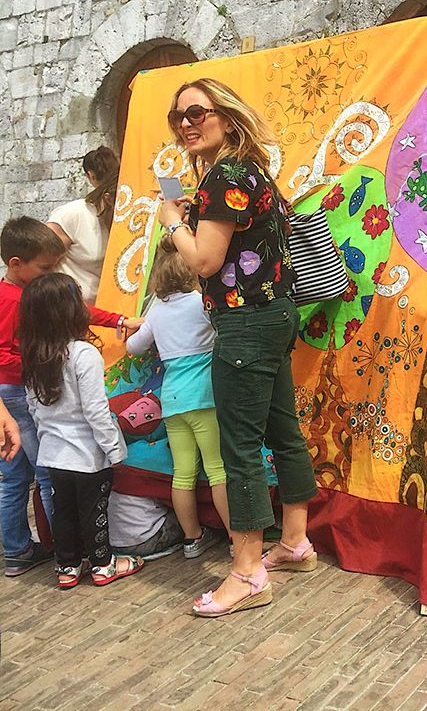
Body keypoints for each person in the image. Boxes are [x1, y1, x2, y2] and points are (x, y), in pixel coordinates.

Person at [159, 78, 317, 617]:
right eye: (177, 116)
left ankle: (247, 571)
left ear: (225, 116)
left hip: (246, 324)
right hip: (274, 316)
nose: (186, 123)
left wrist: (173, 221)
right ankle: (294, 542)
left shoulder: (226, 174)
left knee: (240, 446)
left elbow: (203, 260)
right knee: (282, 428)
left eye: (197, 112)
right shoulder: (249, 171)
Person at [0, 217, 140, 577]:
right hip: (16, 394)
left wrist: (118, 320)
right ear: (16, 264)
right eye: (45, 267)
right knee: (51, 483)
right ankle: (84, 558)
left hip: (23, 395)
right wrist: (114, 450)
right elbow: (95, 411)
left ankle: (41, 555)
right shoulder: (18, 305)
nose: (50, 274)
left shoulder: (32, 302)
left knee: (16, 478)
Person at [21, 272, 144, 588]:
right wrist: (114, 449)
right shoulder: (83, 354)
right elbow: (96, 411)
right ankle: (103, 564)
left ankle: (68, 566)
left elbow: (34, 408)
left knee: (63, 510)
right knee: (94, 510)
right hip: (89, 455)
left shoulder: (33, 355)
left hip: (53, 454)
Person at [126, 236, 230, 558]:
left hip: (172, 402)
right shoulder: (202, 304)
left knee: (182, 473)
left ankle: (192, 538)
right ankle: (236, 538)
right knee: (217, 470)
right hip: (204, 399)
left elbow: (133, 348)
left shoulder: (157, 311)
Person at [48, 146, 120, 305]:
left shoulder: (125, 217)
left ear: (90, 175)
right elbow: (40, 261)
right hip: (70, 308)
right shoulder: (73, 214)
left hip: (108, 308)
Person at [109, 491, 185, 561]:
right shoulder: (150, 479)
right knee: (187, 513)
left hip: (115, 543)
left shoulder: (115, 479)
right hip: (145, 542)